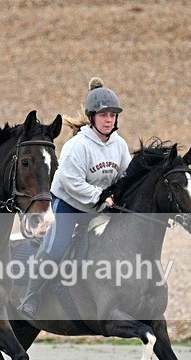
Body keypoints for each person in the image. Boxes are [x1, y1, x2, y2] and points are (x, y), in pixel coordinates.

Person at [19, 77, 132, 318]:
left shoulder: (120, 145)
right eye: (103, 115)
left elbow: (125, 176)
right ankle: (32, 296)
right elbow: (71, 182)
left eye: (112, 115)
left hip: (99, 208)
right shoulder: (78, 146)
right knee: (56, 247)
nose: (108, 120)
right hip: (69, 205)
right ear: (92, 117)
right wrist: (101, 196)